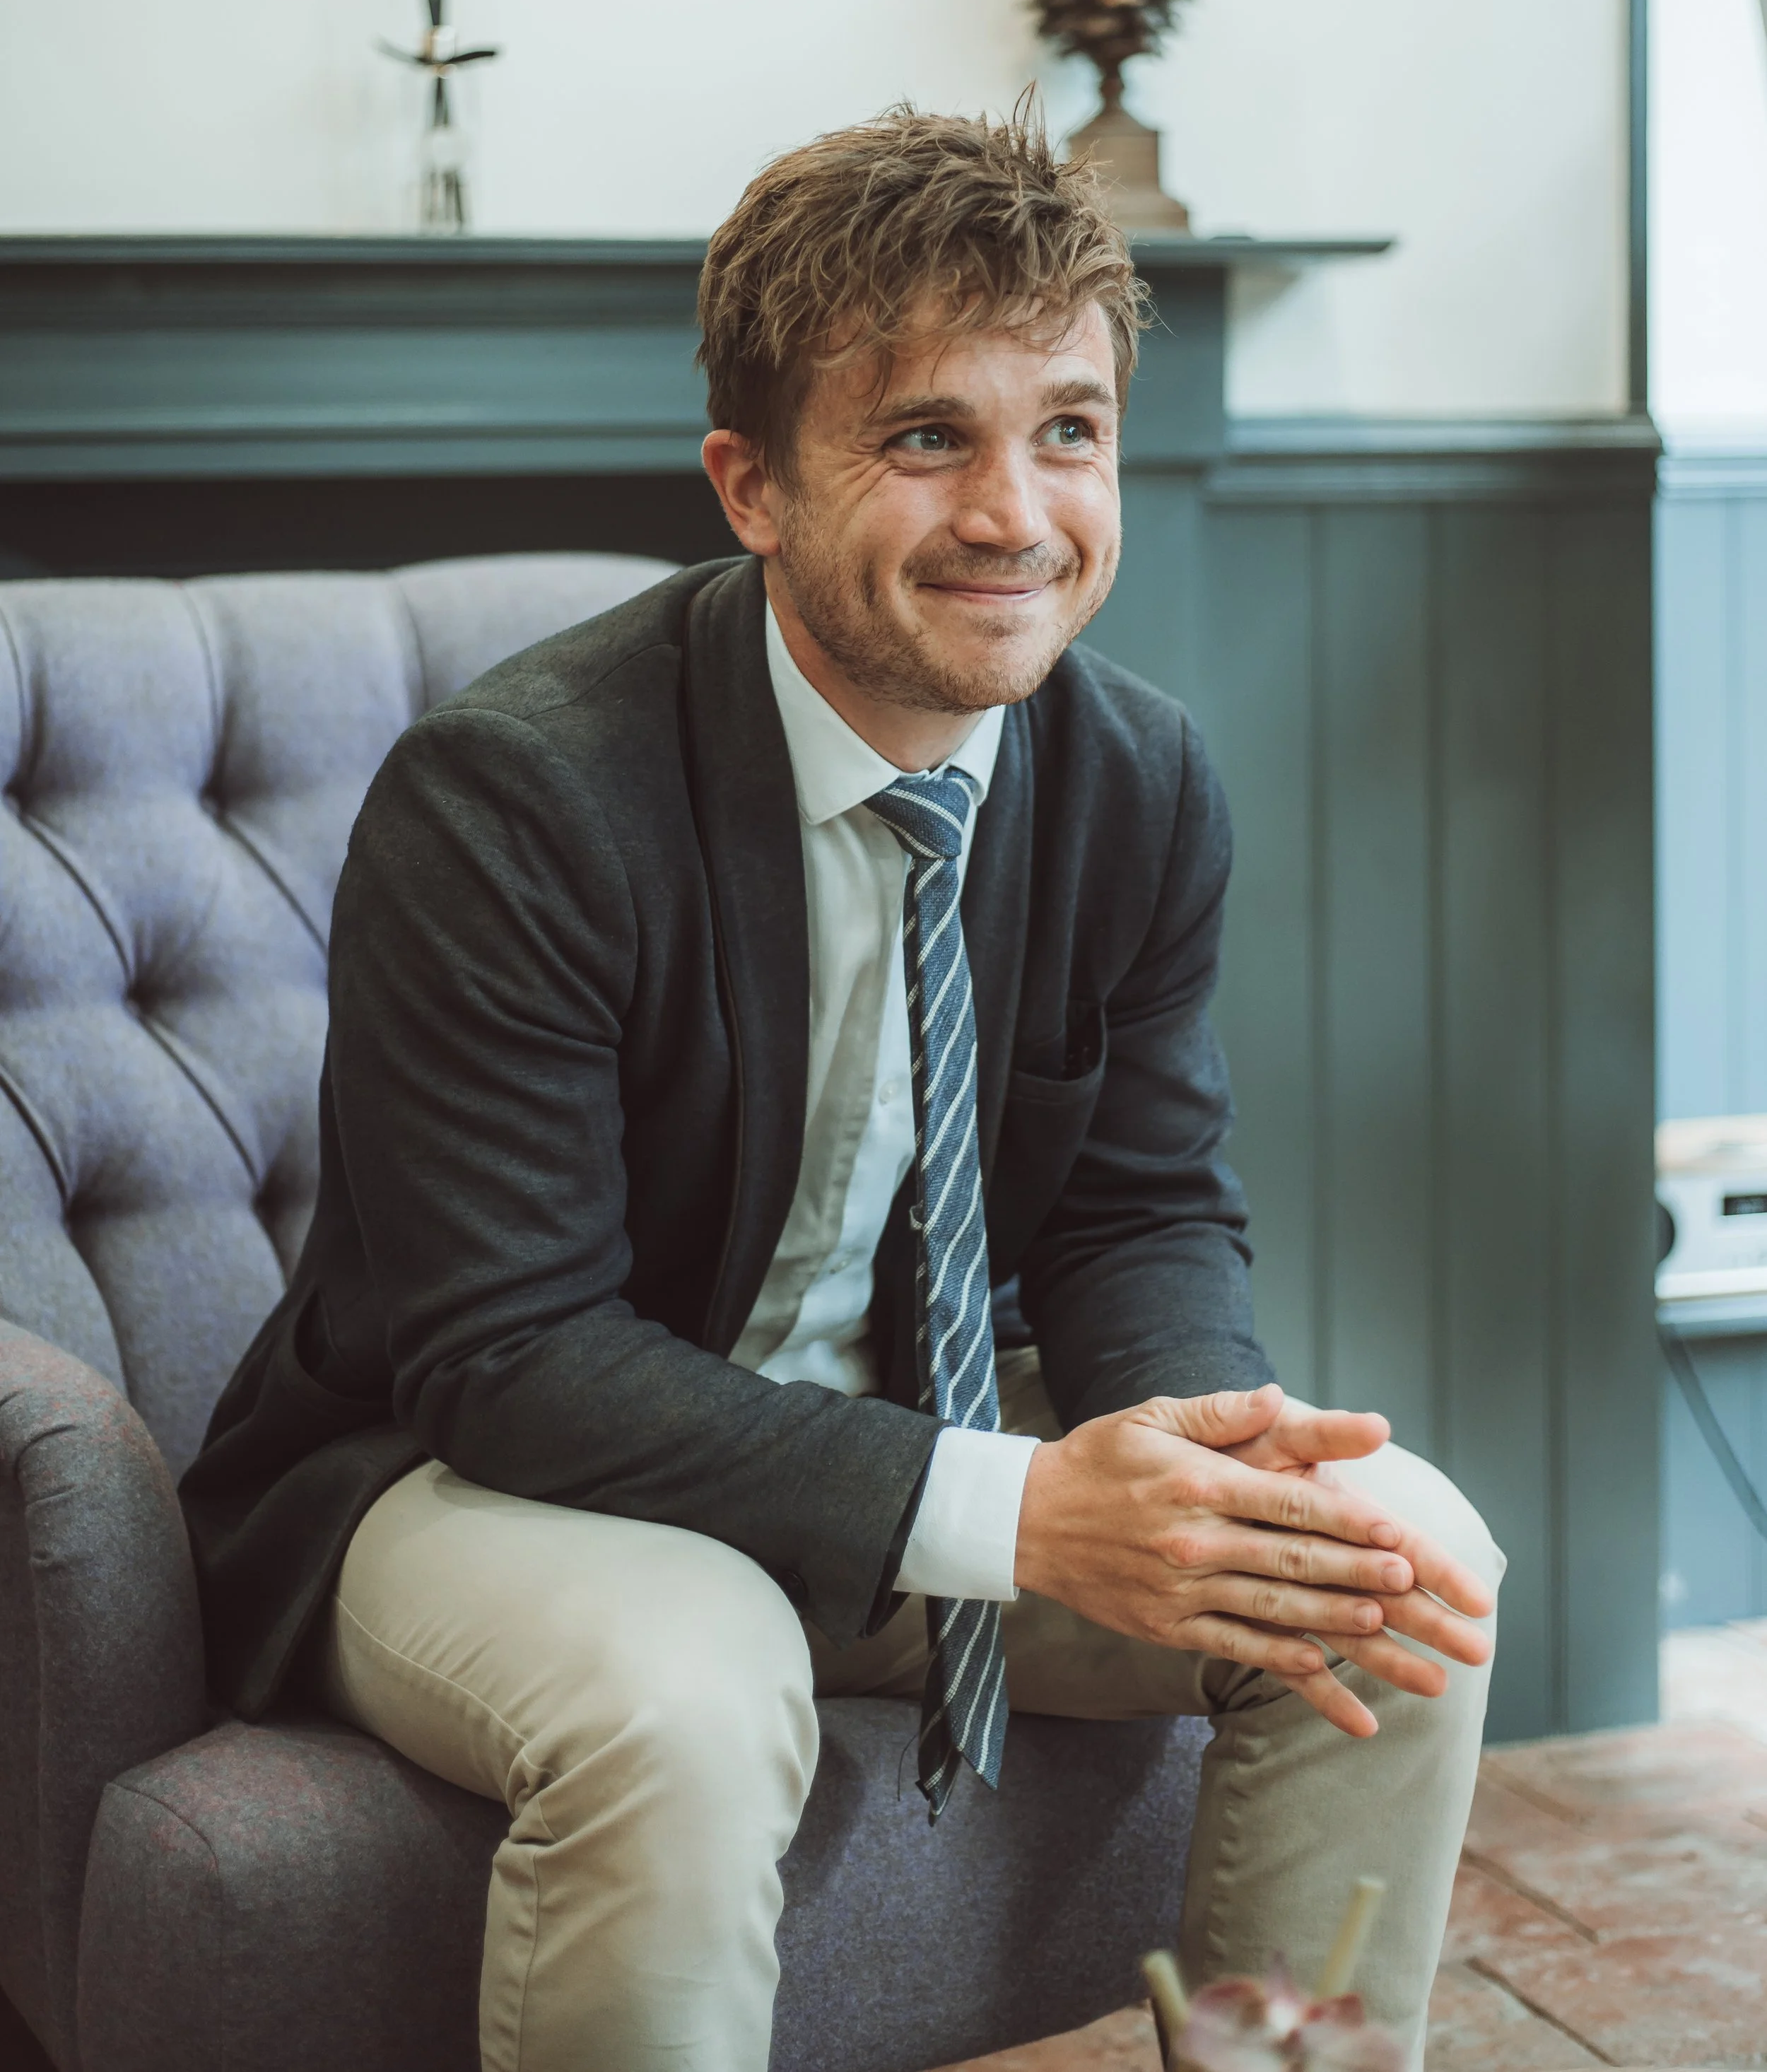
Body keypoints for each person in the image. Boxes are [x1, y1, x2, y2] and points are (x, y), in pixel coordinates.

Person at [181, 104, 1499, 2072]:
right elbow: (505, 1350)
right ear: (751, 484)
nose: (1016, 512)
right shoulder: (517, 797)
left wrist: (1184, 1471)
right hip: (468, 1475)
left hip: (916, 1434)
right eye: (922, 436)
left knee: (1392, 1562)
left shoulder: (1138, 780)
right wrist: (1025, 1508)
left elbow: (1136, 1203)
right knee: (683, 1689)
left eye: (1066, 425)